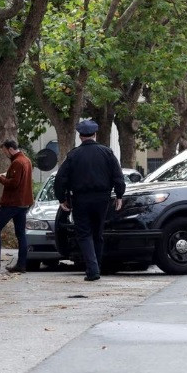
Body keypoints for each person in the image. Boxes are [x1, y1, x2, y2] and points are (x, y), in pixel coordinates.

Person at [54, 119, 125, 281]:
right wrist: (119, 195)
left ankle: (93, 270)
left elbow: (60, 179)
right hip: (102, 199)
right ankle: (96, 267)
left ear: (80, 136)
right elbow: (118, 176)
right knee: (98, 233)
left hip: (81, 199)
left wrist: (62, 198)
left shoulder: (73, 155)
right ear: (95, 134)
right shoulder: (107, 152)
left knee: (84, 234)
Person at [0, 140, 33, 273]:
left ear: (10, 149)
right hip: (23, 203)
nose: (4, 153)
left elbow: (14, 183)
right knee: (21, 234)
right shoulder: (26, 160)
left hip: (12, 203)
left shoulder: (17, 162)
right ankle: (21, 264)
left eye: (4, 151)